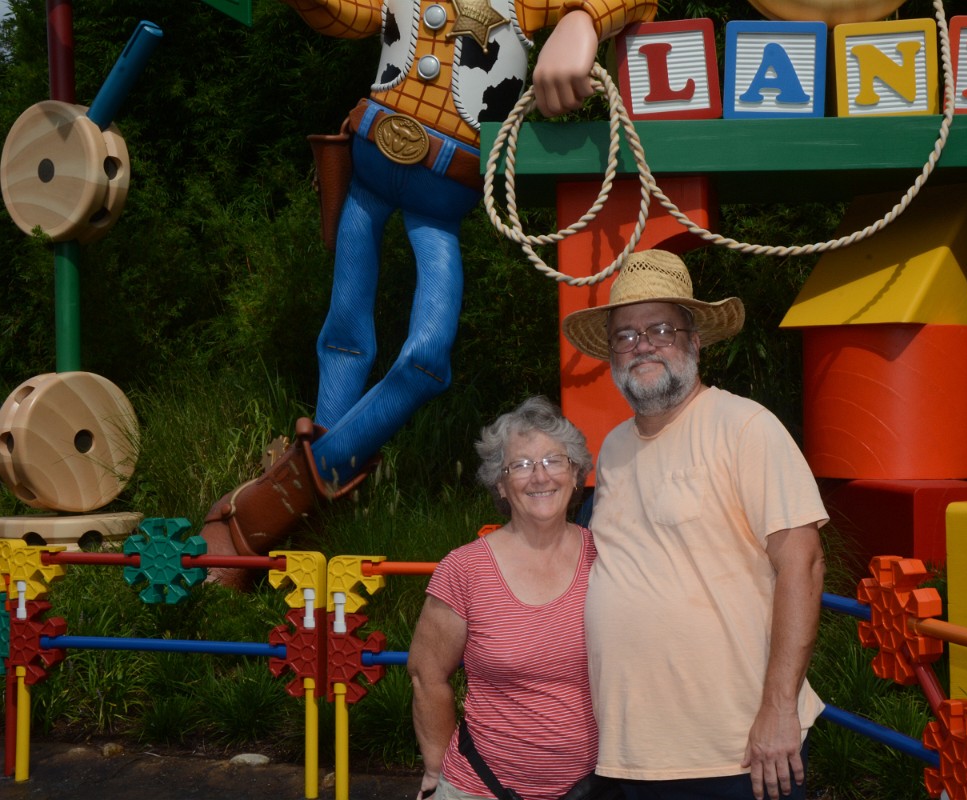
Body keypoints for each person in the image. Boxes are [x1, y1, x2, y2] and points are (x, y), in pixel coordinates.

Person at [199, 0, 656, 587]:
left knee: (427, 355)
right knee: (343, 333)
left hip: (442, 194)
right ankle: (316, 515)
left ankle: (282, 498)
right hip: (367, 166)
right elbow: (345, 14)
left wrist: (580, 20)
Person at [561, 249, 829, 800]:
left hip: (739, 750)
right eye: (626, 335)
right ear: (611, 354)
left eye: (661, 329)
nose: (643, 345)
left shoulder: (746, 426)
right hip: (632, 754)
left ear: (695, 341)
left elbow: (803, 564)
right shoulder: (611, 450)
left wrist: (780, 708)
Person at [408, 396, 599, 800]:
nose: (540, 476)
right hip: (480, 788)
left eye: (553, 460)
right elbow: (427, 675)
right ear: (500, 483)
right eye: (522, 465)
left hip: (593, 788)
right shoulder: (464, 569)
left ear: (575, 472)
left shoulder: (607, 557)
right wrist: (435, 767)